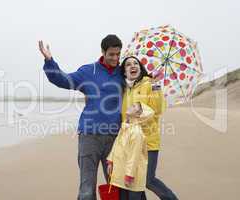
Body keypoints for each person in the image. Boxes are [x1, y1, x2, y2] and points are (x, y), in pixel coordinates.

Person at [38, 35, 124, 200]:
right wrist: (50, 61)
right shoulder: (88, 71)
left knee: (115, 186)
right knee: (86, 187)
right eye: (111, 54)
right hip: (89, 136)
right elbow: (64, 80)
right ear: (103, 52)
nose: (115, 58)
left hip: (114, 137)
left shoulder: (122, 74)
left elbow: (138, 83)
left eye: (118, 54)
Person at [119, 56, 179, 200]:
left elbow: (157, 110)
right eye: (128, 64)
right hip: (130, 143)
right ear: (124, 72)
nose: (133, 66)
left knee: (148, 180)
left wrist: (156, 85)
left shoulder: (149, 84)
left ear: (140, 68)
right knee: (133, 184)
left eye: (135, 63)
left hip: (148, 142)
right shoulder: (125, 90)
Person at [107, 101, 154, 200]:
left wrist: (129, 176)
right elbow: (116, 145)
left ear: (138, 114)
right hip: (121, 172)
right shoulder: (125, 127)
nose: (129, 106)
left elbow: (134, 157)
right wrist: (111, 161)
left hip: (132, 176)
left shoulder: (137, 133)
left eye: (133, 106)